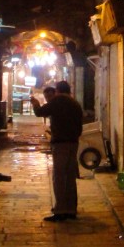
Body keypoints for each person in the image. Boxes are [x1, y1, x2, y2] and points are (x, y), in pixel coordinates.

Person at [30, 80, 83, 221]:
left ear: (58, 90)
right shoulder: (75, 103)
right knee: (70, 177)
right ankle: (71, 209)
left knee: (59, 177)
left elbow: (40, 112)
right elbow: (79, 126)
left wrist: (35, 104)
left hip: (60, 144)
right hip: (73, 143)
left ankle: (60, 211)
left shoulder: (58, 101)